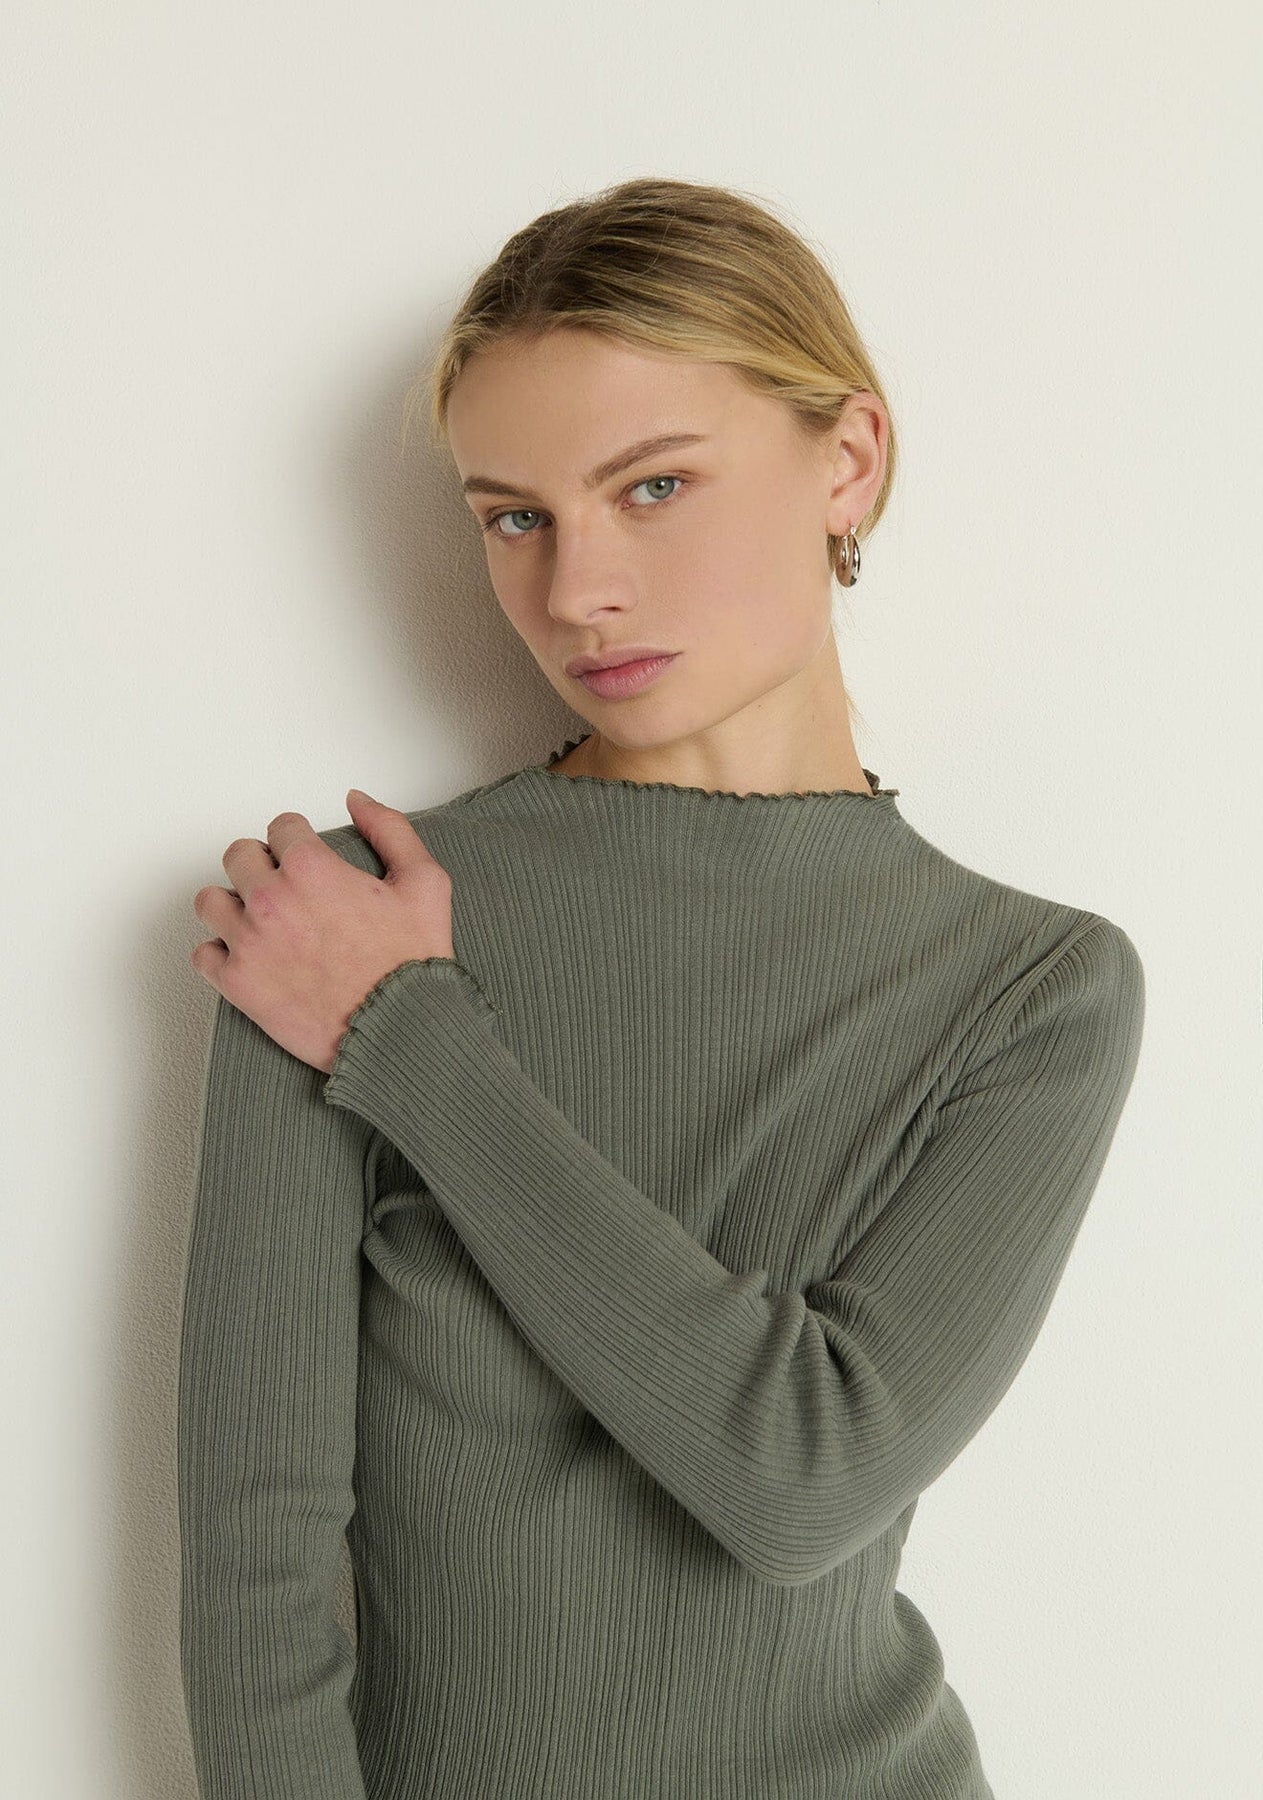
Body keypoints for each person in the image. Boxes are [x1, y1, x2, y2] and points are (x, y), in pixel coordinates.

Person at [178, 177, 1146, 1800]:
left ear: (848, 460)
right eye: (515, 517)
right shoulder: (337, 920)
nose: (574, 592)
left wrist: (415, 1044)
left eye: (654, 486)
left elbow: (800, 1480)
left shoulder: (1031, 990)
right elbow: (255, 1554)